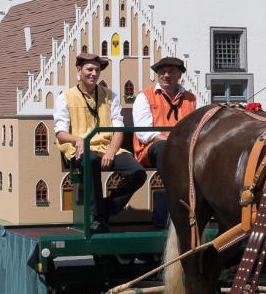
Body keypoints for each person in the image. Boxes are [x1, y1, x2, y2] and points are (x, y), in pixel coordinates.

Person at [54, 53, 146, 233]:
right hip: (79, 150)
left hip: (107, 148)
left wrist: (112, 150)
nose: (94, 73)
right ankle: (97, 218)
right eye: (89, 69)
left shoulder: (110, 96)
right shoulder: (65, 98)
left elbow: (119, 128)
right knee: (91, 161)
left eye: (97, 70)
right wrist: (79, 139)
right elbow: (60, 133)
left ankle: (106, 208)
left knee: (137, 172)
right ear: (79, 70)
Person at [132, 56, 199, 227]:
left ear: (179, 75)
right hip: (151, 148)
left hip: (184, 149)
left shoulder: (190, 98)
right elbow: (144, 133)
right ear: (157, 75)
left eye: (171, 71)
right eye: (162, 72)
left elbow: (195, 127)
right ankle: (174, 202)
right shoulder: (145, 96)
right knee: (164, 148)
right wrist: (174, 141)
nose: (166, 75)